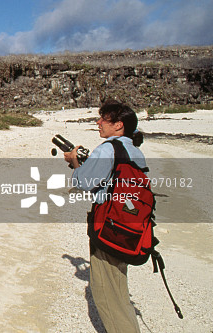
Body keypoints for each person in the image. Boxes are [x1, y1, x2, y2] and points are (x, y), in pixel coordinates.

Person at [63, 101, 146, 333]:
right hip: (129, 228)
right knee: (118, 288)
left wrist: (75, 162)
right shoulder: (135, 150)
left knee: (107, 295)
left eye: (103, 119)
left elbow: (84, 182)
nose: (98, 122)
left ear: (118, 125)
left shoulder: (108, 148)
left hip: (108, 227)